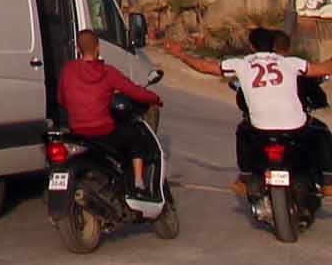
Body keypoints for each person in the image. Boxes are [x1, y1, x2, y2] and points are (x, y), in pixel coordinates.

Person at [175, 27, 332, 197]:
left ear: (252, 45)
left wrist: (181, 55)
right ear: (273, 45)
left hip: (260, 128)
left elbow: (205, 67)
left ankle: (245, 178)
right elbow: (323, 69)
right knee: (320, 132)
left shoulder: (242, 63)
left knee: (242, 132)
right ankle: (328, 181)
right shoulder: (291, 63)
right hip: (295, 126)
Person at [55, 28, 164, 199]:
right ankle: (138, 182)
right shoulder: (107, 72)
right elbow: (134, 91)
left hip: (77, 131)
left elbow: (61, 99)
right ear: (98, 48)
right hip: (103, 131)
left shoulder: (68, 69)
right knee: (136, 136)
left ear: (78, 49)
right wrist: (155, 98)